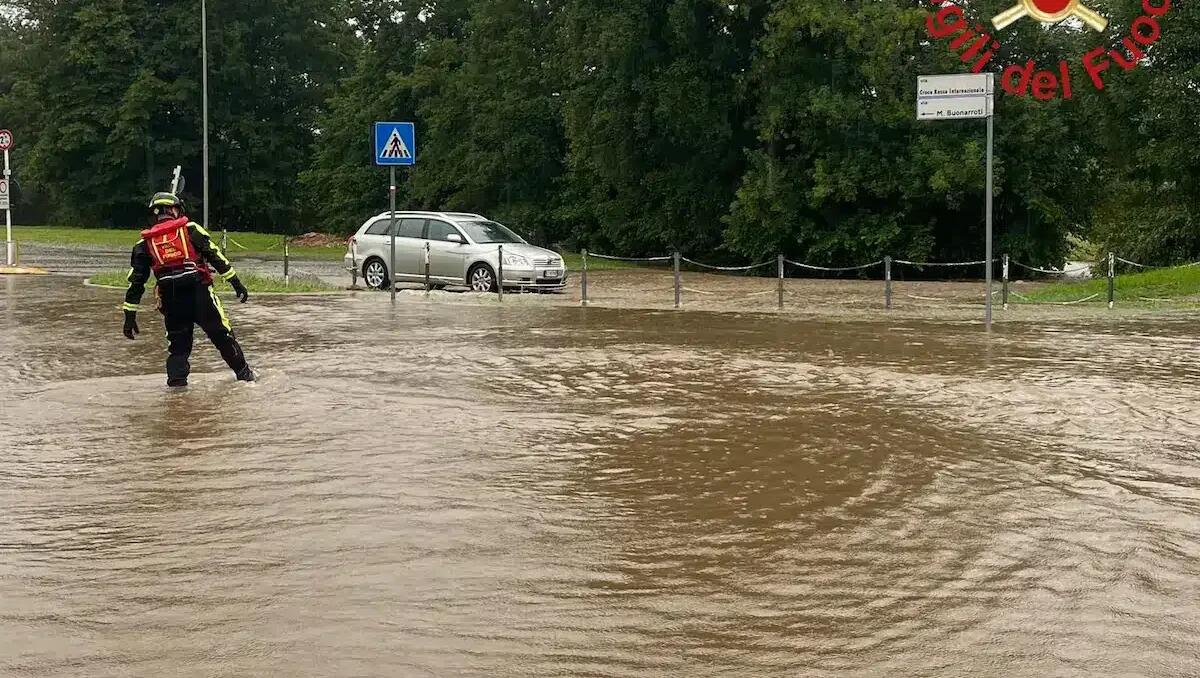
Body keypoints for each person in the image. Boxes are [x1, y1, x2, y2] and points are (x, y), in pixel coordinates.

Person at [122, 192, 255, 387]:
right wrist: (235, 282)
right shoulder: (191, 229)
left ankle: (176, 396)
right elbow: (215, 256)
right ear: (175, 210)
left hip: (171, 301)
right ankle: (246, 377)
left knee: (178, 349)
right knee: (222, 336)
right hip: (200, 295)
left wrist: (129, 316)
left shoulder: (144, 244)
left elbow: (136, 282)